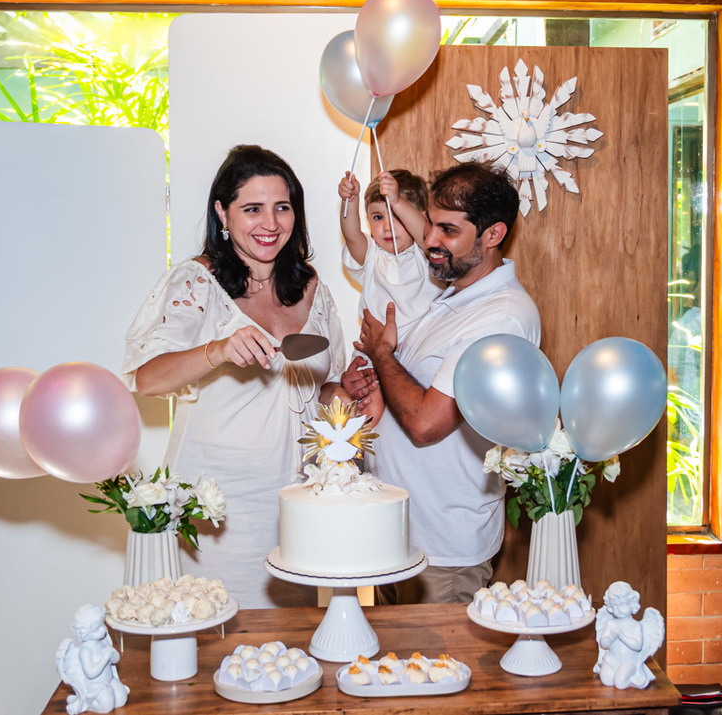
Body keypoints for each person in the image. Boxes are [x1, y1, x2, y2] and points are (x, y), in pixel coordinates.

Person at [122, 145, 347, 609]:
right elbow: (146, 378)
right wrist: (217, 350)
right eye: (252, 209)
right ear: (222, 212)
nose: (270, 223)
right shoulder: (195, 282)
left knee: (290, 650)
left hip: (299, 502)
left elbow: (327, 387)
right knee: (214, 639)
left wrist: (350, 394)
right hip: (218, 507)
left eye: (282, 207)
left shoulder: (311, 286)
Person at [344, 162, 541, 604]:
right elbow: (405, 387)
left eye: (448, 230)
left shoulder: (499, 317)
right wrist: (369, 376)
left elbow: (425, 422)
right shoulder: (449, 296)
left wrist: (382, 354)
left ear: (492, 235)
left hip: (444, 553)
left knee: (434, 673)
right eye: (430, 224)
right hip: (399, 536)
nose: (429, 240)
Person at [338, 169, 445, 385]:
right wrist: (350, 200)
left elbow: (425, 234)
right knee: (365, 409)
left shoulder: (425, 255)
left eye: (397, 216)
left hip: (419, 356)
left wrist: (396, 201)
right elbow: (351, 236)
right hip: (371, 358)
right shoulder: (371, 255)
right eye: (378, 217)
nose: (387, 227)